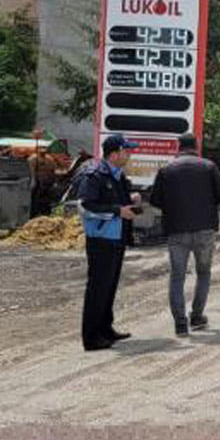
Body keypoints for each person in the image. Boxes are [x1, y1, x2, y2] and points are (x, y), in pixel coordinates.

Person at [150, 134, 220, 337]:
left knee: (177, 276)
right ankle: (197, 316)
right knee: (203, 273)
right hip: (205, 230)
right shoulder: (208, 167)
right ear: (196, 147)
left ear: (179, 147)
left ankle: (180, 323)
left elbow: (155, 200)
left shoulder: (166, 170)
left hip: (177, 231)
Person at [75, 134, 140, 351]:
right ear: (114, 154)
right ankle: (91, 337)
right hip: (101, 239)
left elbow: (114, 201)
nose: (129, 154)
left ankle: (105, 328)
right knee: (97, 287)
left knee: (109, 286)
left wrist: (130, 201)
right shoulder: (94, 174)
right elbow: (86, 206)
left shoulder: (117, 175)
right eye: (126, 151)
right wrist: (118, 211)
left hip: (116, 237)